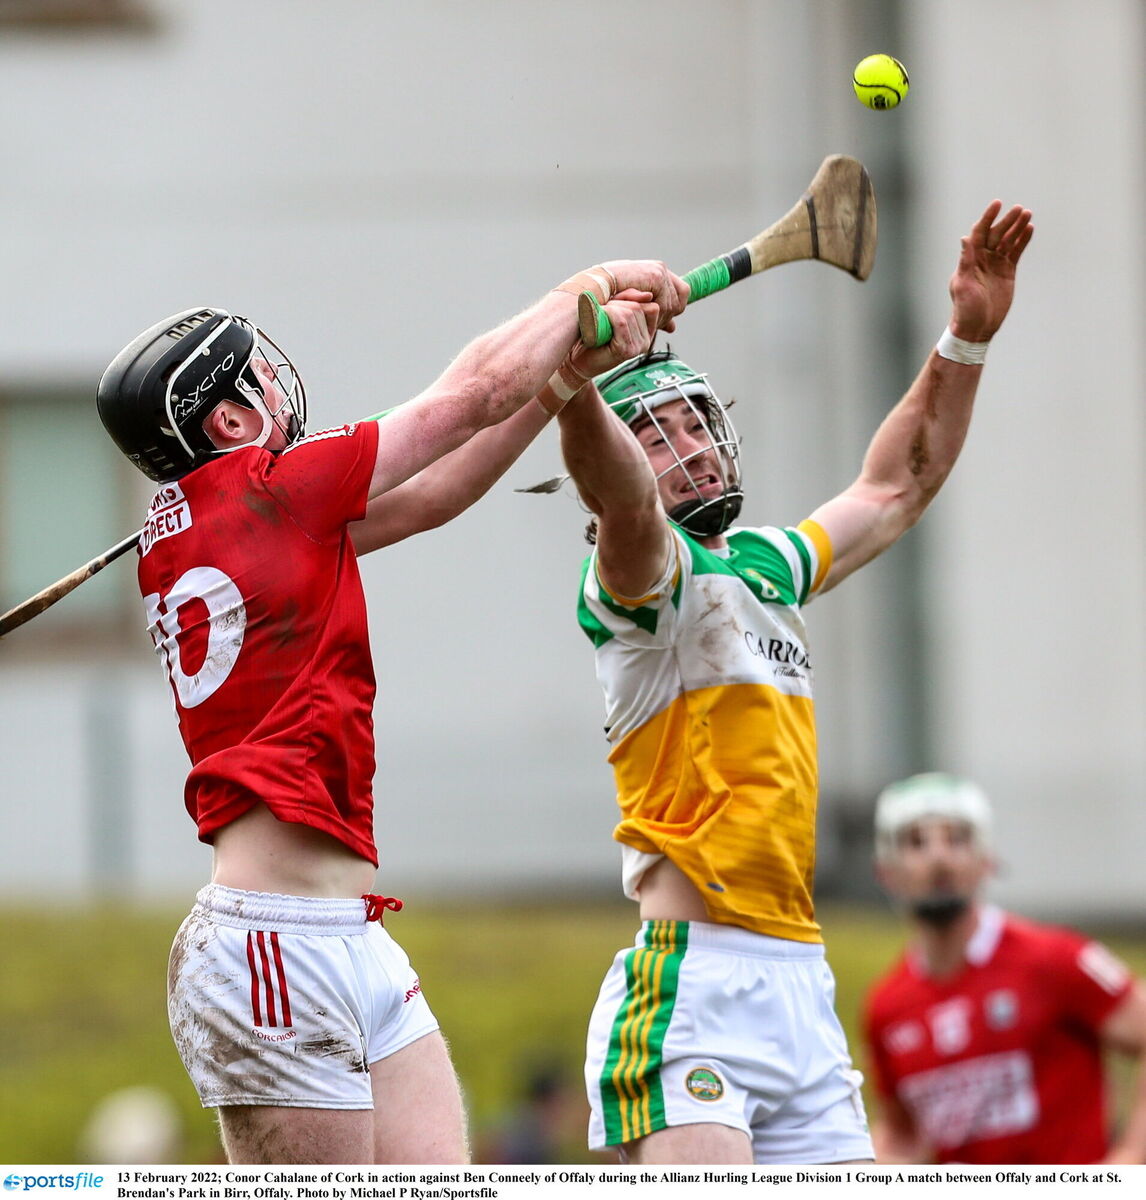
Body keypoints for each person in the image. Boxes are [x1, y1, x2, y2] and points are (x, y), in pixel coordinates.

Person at [94, 258, 688, 1165]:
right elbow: (477, 391)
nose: (277, 386)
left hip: (349, 932)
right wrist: (592, 286)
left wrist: (563, 378)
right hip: (273, 946)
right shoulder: (278, 491)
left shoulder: (235, 521)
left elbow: (435, 494)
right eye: (255, 378)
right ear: (226, 420)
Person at [549, 200, 1035, 1165]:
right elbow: (625, 500)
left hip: (800, 986)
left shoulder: (770, 564)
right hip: (691, 990)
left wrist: (966, 340)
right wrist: (577, 388)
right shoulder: (642, 583)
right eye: (659, 437)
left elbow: (899, 486)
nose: (686, 448)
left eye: (696, 424)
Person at [862, 772, 1146, 1164]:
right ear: (885, 871)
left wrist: (1131, 1157)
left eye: (957, 839)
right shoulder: (886, 1007)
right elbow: (902, 1134)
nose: (939, 858)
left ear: (987, 860)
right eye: (916, 842)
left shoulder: (1054, 960)